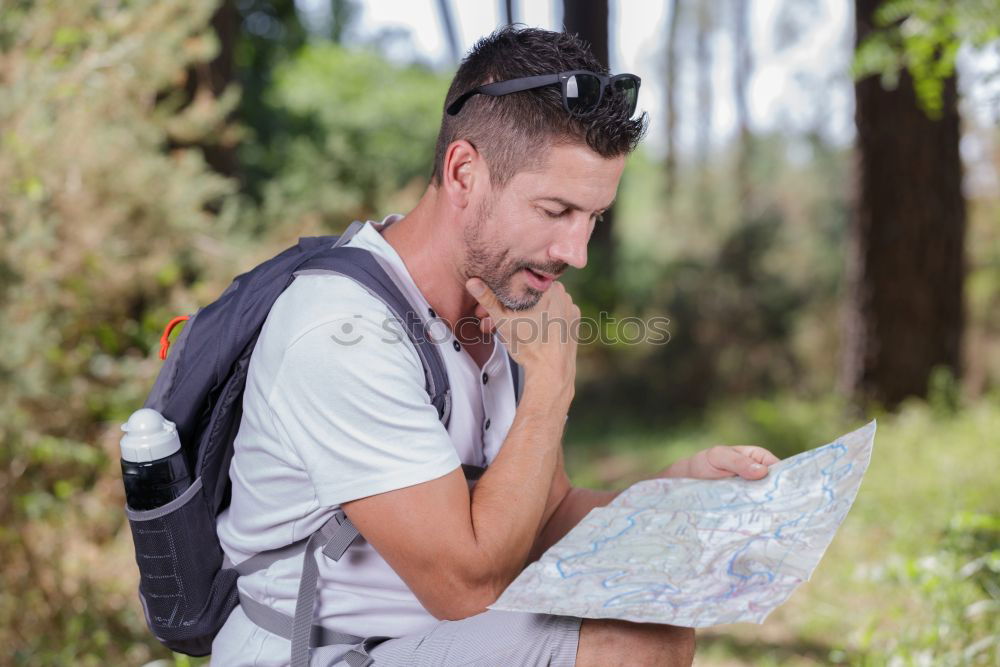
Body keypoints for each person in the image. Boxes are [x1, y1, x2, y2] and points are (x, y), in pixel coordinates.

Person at [211, 25, 779, 667]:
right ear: (463, 172)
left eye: (593, 218)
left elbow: (548, 514)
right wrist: (553, 384)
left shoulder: (502, 300)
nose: (577, 253)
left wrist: (671, 496)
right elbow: (466, 585)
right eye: (555, 210)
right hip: (319, 652)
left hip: (421, 641)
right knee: (631, 641)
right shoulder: (340, 330)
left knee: (654, 618)